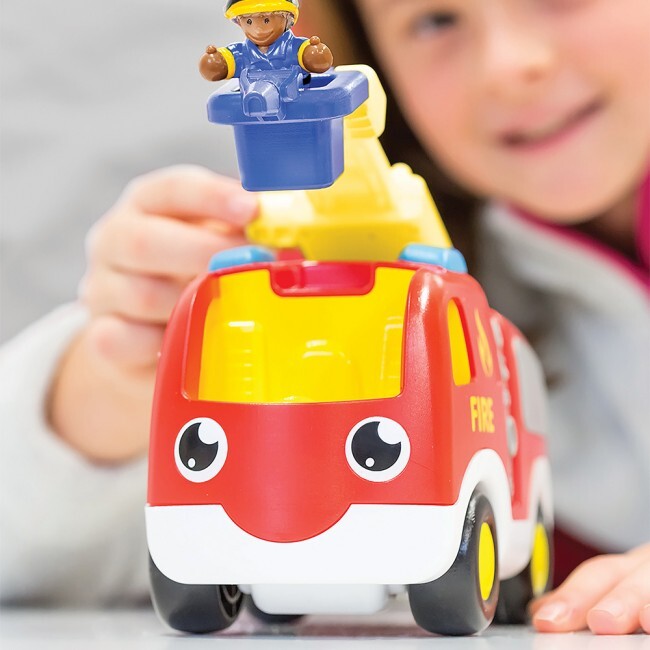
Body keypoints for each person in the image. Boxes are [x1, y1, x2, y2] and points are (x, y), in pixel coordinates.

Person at [1, 0, 648, 638]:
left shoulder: (447, 305)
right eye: (434, 21)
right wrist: (104, 385)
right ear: (372, 54)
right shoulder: (374, 254)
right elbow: (36, 564)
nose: (509, 65)